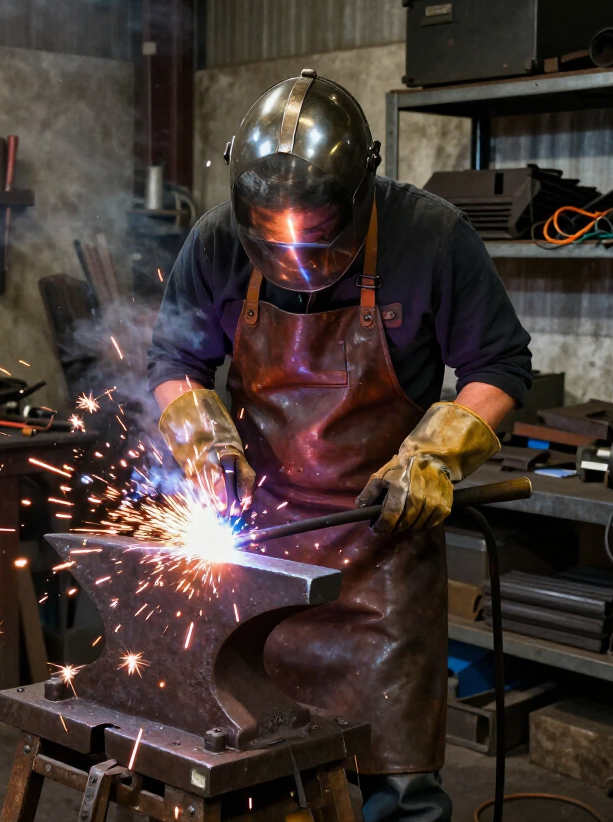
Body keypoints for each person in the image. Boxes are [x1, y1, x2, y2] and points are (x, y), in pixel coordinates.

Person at [147, 70, 532, 822]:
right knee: (253, 763)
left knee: (398, 786)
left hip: (383, 550)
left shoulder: (431, 235)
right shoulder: (217, 243)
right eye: (273, 239)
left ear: (361, 192)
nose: (294, 264)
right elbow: (173, 363)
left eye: (318, 240)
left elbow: (500, 368)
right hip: (260, 547)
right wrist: (202, 438)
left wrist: (435, 455)